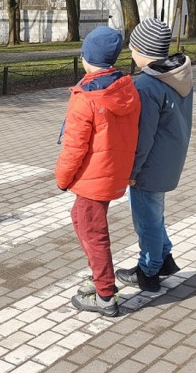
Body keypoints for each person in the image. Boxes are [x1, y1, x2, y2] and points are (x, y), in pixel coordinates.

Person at [55, 26, 140, 317]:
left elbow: (74, 147)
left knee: (94, 232)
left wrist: (62, 178)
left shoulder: (85, 97)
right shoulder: (126, 88)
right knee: (80, 218)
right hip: (113, 171)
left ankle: (105, 295)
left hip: (93, 176)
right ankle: (100, 277)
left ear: (86, 59)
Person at [115, 18, 194, 293]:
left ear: (140, 50)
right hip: (169, 158)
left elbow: (142, 135)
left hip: (149, 165)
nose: (130, 53)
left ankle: (148, 270)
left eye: (132, 48)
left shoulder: (147, 86)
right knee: (154, 214)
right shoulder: (176, 74)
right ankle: (164, 258)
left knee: (146, 219)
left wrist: (132, 171)